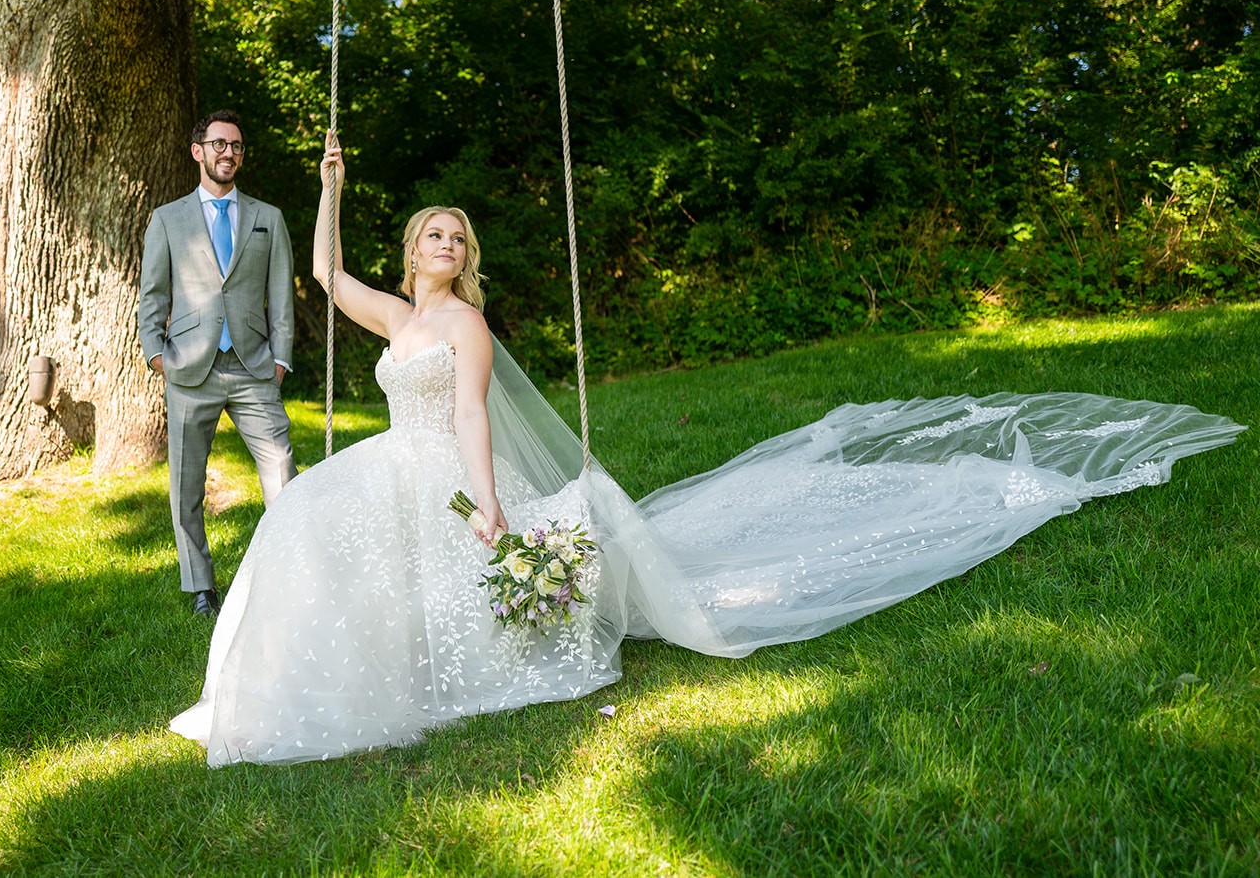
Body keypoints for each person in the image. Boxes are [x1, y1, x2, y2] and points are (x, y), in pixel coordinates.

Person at [169, 139, 1244, 766]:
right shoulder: (397, 317)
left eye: (457, 238)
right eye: (431, 237)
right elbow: (319, 274)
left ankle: (459, 657)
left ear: (467, 259)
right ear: (411, 254)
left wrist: (489, 505)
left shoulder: (463, 330)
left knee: (433, 559)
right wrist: (330, 186)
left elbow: (471, 422)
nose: (443, 249)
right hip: (388, 461)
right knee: (306, 520)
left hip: (445, 473)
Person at [138, 109, 297, 617]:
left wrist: (281, 360)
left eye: (237, 146)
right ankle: (201, 585)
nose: (229, 152)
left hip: (253, 368)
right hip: (189, 370)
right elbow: (152, 295)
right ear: (198, 151)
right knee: (187, 486)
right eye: (219, 144)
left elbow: (281, 294)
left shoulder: (267, 218)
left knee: (282, 473)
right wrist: (157, 355)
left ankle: (287, 570)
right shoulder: (168, 218)